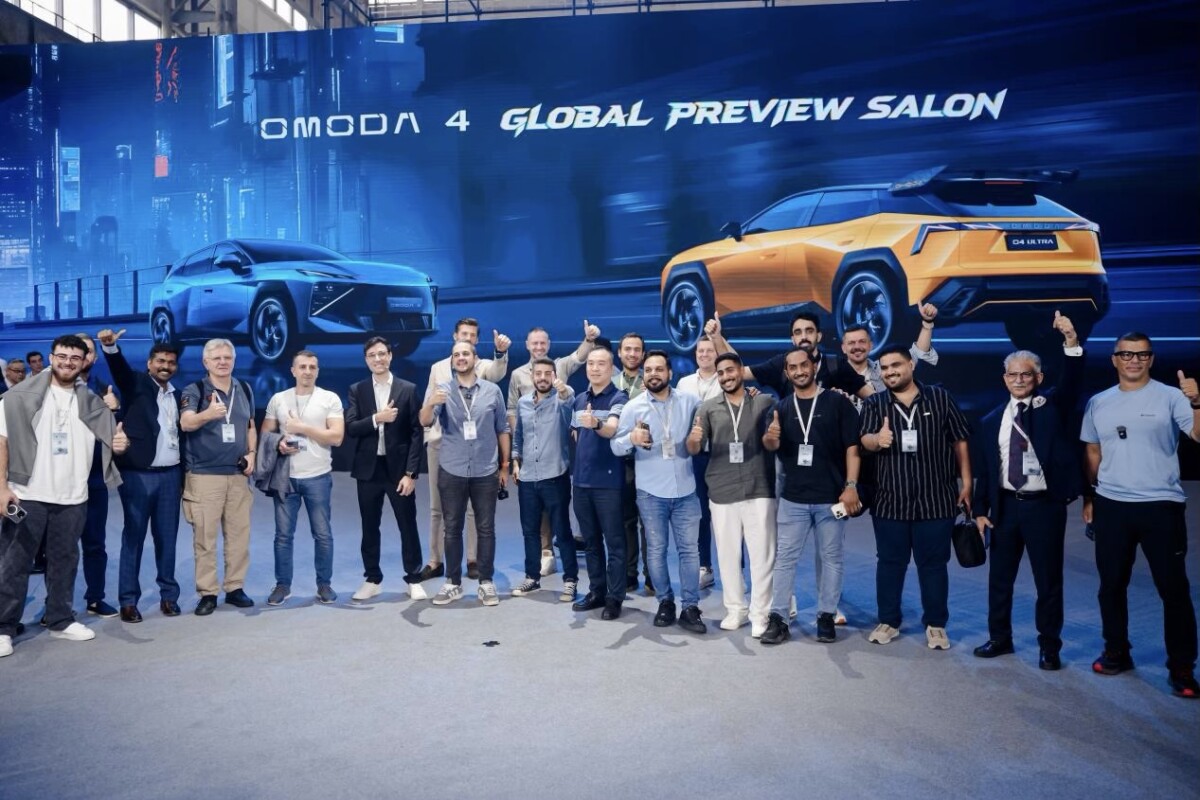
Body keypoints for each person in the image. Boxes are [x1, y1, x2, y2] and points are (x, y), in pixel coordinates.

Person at [1081, 332, 1199, 698]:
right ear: (1114, 359)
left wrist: (1197, 402)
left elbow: (1198, 435)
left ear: (1151, 359)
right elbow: (1093, 452)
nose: (1134, 360)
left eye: (1142, 354)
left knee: (1173, 589)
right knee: (1111, 586)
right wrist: (1091, 497)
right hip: (1112, 506)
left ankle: (1182, 667)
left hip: (1161, 505)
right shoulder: (1098, 402)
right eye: (1127, 354)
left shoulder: (1172, 396)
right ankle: (1117, 651)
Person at [0, 334, 128, 658]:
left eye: (75, 358)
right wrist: (1, 487)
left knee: (65, 561)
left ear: (84, 361)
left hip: (73, 495)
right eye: (62, 356)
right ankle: (3, 627)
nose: (67, 362)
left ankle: (59, 619)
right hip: (27, 493)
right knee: (14, 563)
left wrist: (119, 443)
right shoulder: (17, 396)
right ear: (51, 357)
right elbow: (2, 441)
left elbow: (113, 441)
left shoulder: (92, 402)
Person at [970, 312, 1084, 670]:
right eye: (1013, 375)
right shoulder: (991, 420)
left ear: (1038, 378)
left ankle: (1049, 647)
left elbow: (1071, 383)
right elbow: (987, 470)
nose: (1019, 380)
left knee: (1047, 581)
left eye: (1026, 374)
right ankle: (1000, 638)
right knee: (999, 580)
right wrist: (980, 510)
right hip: (1005, 507)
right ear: (1005, 378)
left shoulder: (1051, 408)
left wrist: (1070, 342)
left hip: (1043, 507)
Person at [859, 344, 971, 649]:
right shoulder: (875, 404)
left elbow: (960, 440)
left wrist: (967, 482)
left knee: (933, 565)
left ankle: (936, 625)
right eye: (884, 368)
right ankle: (888, 621)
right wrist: (877, 439)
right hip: (889, 501)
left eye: (896, 365)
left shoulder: (940, 397)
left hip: (936, 500)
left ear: (911, 364)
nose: (890, 372)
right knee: (889, 564)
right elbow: (864, 440)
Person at [761, 347, 862, 645]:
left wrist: (851, 485)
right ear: (786, 373)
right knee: (785, 560)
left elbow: (852, 448)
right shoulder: (780, 408)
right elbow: (770, 445)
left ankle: (826, 615)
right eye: (792, 367)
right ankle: (779, 618)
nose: (799, 371)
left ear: (814, 366)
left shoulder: (837, 403)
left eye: (803, 365)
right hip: (793, 499)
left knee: (831, 559)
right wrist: (770, 438)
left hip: (831, 498)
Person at [612, 349, 706, 634]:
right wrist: (631, 438)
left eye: (659, 369)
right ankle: (665, 601)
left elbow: (712, 415)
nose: (654, 374)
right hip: (651, 492)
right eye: (649, 370)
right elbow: (616, 446)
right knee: (656, 551)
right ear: (644, 375)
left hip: (686, 490)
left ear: (669, 373)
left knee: (689, 551)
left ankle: (690, 607)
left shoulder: (690, 401)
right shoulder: (633, 407)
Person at [97, 327, 184, 622]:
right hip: (138, 475)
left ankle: (169, 596)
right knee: (133, 537)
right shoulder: (135, 384)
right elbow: (120, 371)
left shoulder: (178, 395)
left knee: (167, 539)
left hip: (171, 475)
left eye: (170, 362)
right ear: (149, 363)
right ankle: (128, 601)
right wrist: (110, 348)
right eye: (160, 361)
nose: (165, 366)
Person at [687, 352, 777, 637]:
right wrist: (693, 440)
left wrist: (772, 437)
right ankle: (736, 609)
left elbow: (773, 441)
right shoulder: (707, 408)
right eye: (721, 373)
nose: (726, 376)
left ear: (740, 371)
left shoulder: (764, 402)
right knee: (727, 556)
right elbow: (693, 447)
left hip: (759, 487)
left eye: (730, 370)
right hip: (722, 488)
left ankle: (761, 613)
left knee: (762, 556)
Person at [420, 341, 510, 607]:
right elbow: (424, 421)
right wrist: (430, 403)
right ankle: (452, 583)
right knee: (452, 528)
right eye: (456, 355)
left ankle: (486, 582)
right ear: (452, 361)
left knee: (486, 528)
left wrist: (505, 466)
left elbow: (502, 428)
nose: (461, 358)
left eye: (465, 354)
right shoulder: (442, 390)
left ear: (475, 358)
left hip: (485, 470)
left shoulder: (492, 391)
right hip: (452, 469)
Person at [506, 321, 599, 576]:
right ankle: (545, 554)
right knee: (534, 516)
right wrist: (519, 451)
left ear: (548, 345)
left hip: (555, 449)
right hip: (529, 453)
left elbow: (579, 357)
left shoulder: (559, 366)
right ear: (527, 345)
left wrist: (589, 340)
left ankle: (568, 574)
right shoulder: (518, 375)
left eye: (542, 343)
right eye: (534, 343)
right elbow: (513, 410)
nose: (538, 347)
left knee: (557, 512)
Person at [345, 337, 427, 601]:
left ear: (390, 356)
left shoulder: (407, 389)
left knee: (407, 525)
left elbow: (416, 433)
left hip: (399, 471)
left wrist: (411, 473)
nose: (377, 359)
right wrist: (377, 418)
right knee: (370, 526)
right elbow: (351, 428)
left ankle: (413, 578)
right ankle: (372, 579)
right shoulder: (357, 390)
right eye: (372, 355)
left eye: (382, 354)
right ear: (366, 359)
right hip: (368, 470)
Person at [179, 338, 256, 615]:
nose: (223, 362)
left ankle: (235, 588)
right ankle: (208, 593)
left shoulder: (244, 388)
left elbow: (250, 426)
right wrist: (208, 414)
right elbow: (186, 423)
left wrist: (252, 453)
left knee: (239, 536)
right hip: (204, 476)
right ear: (206, 362)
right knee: (205, 538)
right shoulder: (195, 389)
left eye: (227, 357)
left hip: (237, 476)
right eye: (217, 358)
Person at [261, 350, 345, 606]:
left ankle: (324, 584)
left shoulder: (329, 398)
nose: (307, 371)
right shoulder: (279, 399)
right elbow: (266, 433)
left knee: (322, 534)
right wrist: (279, 442)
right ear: (293, 370)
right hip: (286, 478)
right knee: (283, 536)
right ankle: (282, 585)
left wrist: (302, 428)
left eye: (312, 367)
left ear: (317, 371)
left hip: (317, 477)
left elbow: (337, 437)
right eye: (303, 366)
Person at [511, 358, 578, 602]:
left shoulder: (561, 400)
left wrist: (563, 390)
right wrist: (515, 461)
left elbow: (569, 401)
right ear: (532, 376)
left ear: (554, 375)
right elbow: (518, 435)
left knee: (562, 531)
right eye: (538, 373)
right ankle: (532, 577)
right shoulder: (523, 403)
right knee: (530, 531)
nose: (542, 378)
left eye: (547, 373)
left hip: (554, 476)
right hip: (528, 477)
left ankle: (570, 580)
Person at [569, 346, 628, 619]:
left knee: (614, 543)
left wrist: (596, 424)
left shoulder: (619, 397)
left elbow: (612, 429)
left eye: (601, 364)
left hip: (608, 483)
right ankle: (596, 592)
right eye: (590, 363)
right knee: (591, 542)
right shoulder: (579, 399)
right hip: (581, 482)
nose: (594, 368)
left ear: (611, 367)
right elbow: (576, 436)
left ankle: (615, 598)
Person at [707, 311, 871, 399]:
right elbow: (738, 371)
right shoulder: (780, 363)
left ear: (819, 336)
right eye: (798, 332)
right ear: (792, 339)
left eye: (809, 331)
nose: (804, 337)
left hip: (831, 448)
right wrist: (717, 337)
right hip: (791, 446)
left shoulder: (836, 364)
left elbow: (872, 397)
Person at [676, 335, 728, 589]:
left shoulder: (727, 380)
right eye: (700, 351)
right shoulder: (684, 383)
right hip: (694, 457)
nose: (704, 354)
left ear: (717, 354)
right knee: (700, 515)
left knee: (728, 515)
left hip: (723, 457)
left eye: (709, 350)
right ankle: (704, 566)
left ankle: (734, 570)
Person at [614, 332, 652, 593]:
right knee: (626, 520)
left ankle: (652, 574)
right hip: (620, 461)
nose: (632, 354)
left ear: (643, 354)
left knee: (649, 521)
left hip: (648, 460)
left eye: (637, 349)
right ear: (619, 353)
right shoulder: (610, 383)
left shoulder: (653, 382)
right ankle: (629, 574)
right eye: (627, 349)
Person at [840, 303, 940, 395]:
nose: (857, 347)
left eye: (862, 341)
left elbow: (918, 352)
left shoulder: (884, 369)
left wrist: (927, 322)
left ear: (871, 345)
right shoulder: (835, 374)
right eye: (851, 343)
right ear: (843, 348)